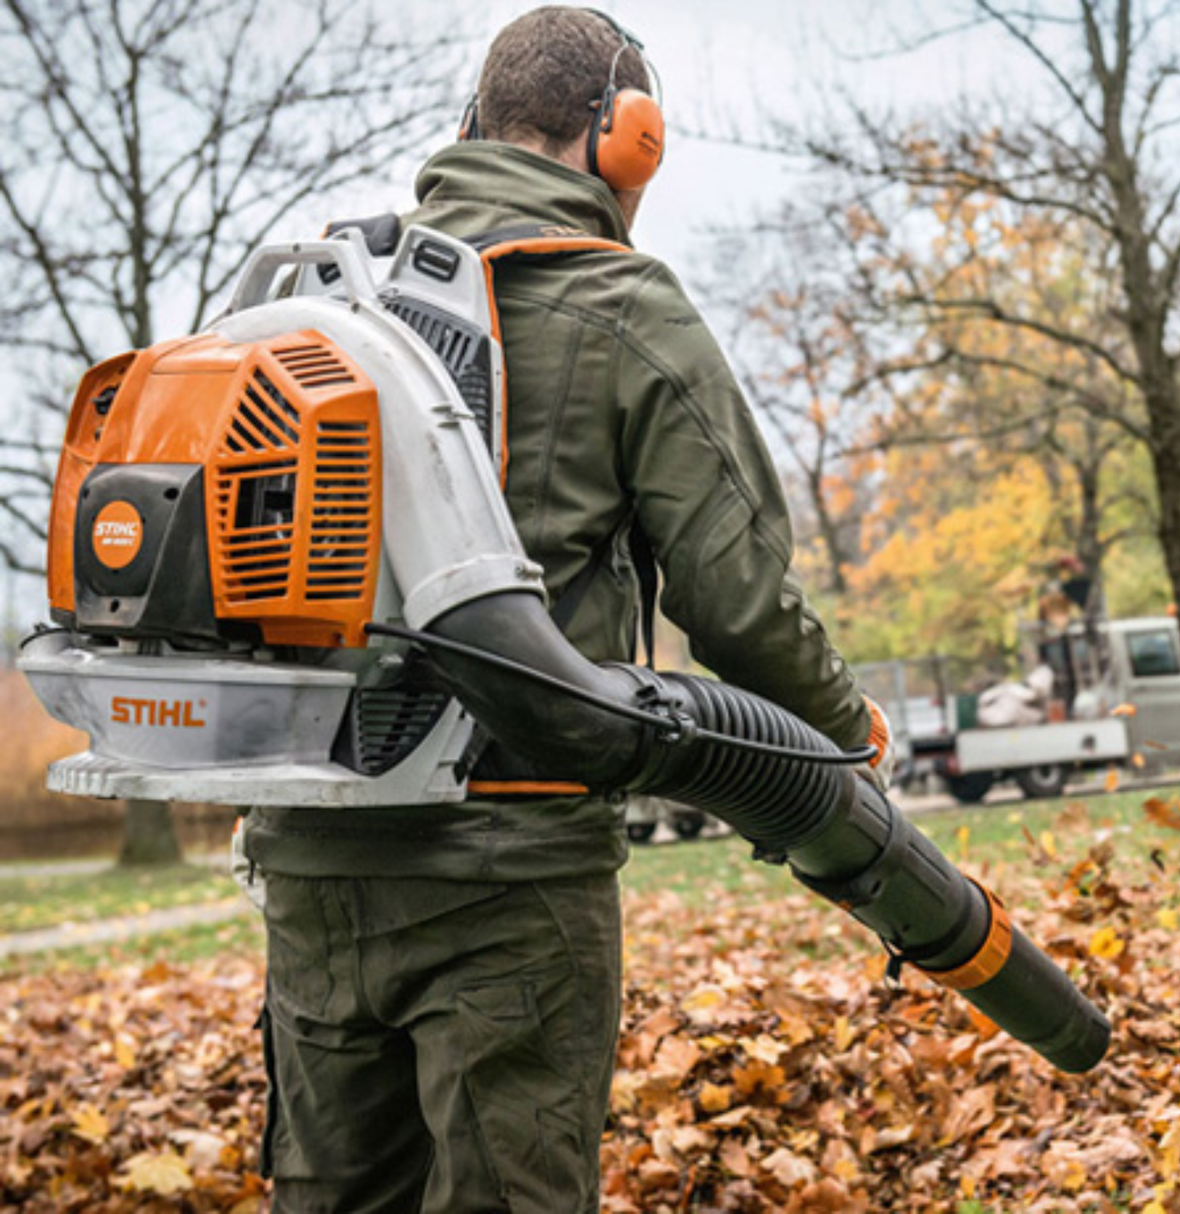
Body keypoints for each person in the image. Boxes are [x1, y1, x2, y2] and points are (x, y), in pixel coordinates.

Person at [241, 7, 889, 1211]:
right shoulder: (622, 304)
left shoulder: (330, 300)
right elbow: (735, 603)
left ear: (470, 126)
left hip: (314, 852)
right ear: (626, 137)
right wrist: (844, 735)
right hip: (512, 863)